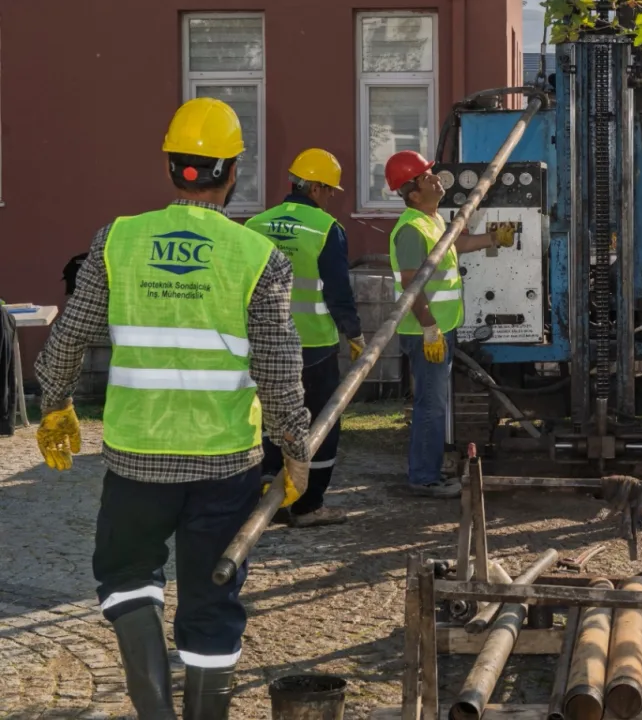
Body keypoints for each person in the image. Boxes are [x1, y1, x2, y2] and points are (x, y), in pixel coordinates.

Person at [33, 97, 311, 720]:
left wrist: (54, 403)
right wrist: (296, 450)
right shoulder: (258, 257)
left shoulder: (118, 240)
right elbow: (277, 368)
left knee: (127, 576)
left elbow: (70, 337)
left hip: (137, 460)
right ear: (232, 170)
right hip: (225, 466)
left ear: (170, 166)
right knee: (212, 605)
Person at [384, 150, 514, 497]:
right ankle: (424, 478)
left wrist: (492, 239)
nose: (436, 177)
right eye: (427, 176)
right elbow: (413, 285)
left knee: (436, 402)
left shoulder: (434, 220)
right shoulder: (411, 230)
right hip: (426, 332)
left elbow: (456, 245)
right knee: (431, 405)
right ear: (413, 192)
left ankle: (427, 469)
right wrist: (429, 327)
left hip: (440, 329)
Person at [247, 148, 363, 528]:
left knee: (267, 420)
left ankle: (270, 499)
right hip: (312, 347)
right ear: (314, 187)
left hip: (261, 345)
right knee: (320, 424)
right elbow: (336, 291)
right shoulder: (326, 229)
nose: (330, 198)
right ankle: (308, 505)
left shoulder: (254, 225)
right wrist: (354, 333)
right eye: (329, 190)